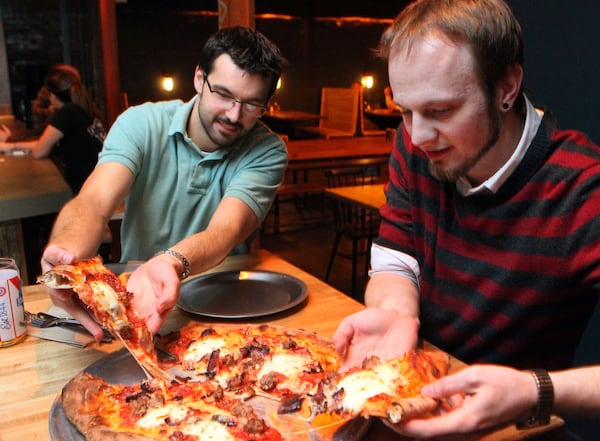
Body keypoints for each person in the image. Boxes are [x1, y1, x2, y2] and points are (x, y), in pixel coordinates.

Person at [332, 0, 599, 435]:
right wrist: (398, 313)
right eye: (405, 111)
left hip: (511, 426)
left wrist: (536, 390)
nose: (417, 136)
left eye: (440, 111)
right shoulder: (416, 144)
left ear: (506, 88)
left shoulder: (582, 190)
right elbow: (396, 258)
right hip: (414, 393)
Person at [40, 26, 288, 341]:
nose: (234, 115)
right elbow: (94, 201)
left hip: (222, 305)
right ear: (199, 78)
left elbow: (225, 230)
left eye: (252, 104)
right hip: (134, 296)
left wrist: (170, 262)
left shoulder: (268, 150)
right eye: (223, 94)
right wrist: (66, 255)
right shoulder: (141, 123)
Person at [0, 64, 104, 193]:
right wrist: (11, 145)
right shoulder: (84, 109)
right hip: (99, 183)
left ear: (53, 96)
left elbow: (39, 151)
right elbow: (44, 141)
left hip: (85, 189)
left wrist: (9, 143)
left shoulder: (66, 112)